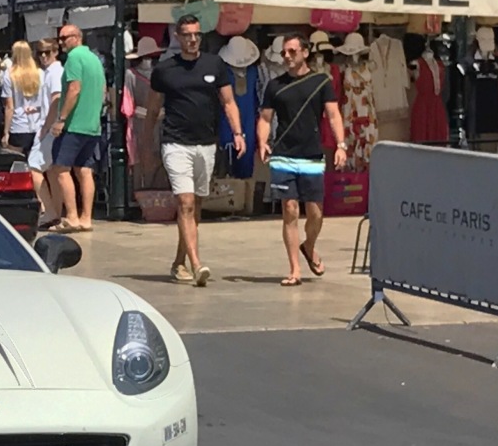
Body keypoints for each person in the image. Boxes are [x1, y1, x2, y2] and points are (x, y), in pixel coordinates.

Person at [144, 14, 247, 287]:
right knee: (185, 203)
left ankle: (179, 262)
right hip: (175, 143)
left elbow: (229, 103)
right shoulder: (165, 70)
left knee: (195, 206)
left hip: (206, 144)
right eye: (187, 35)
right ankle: (197, 263)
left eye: (196, 35)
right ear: (177, 37)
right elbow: (153, 109)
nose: (192, 39)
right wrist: (147, 144)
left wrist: (238, 133)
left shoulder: (215, 64)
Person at [256, 32, 347, 287]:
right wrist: (262, 142)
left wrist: (341, 145)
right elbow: (265, 118)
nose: (287, 56)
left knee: (316, 213)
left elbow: (333, 115)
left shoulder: (321, 81)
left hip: (311, 155)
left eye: (292, 52)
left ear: (305, 52)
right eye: (284, 52)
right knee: (290, 210)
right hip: (283, 153)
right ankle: (294, 268)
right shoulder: (275, 85)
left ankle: (309, 246)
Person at [49, 25, 107, 233]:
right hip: (92, 125)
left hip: (75, 123)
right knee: (84, 169)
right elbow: (102, 90)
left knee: (60, 168)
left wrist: (62, 119)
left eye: (65, 38)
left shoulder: (74, 58)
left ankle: (72, 217)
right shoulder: (94, 59)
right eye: (60, 38)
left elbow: (74, 88)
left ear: (77, 38)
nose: (62, 42)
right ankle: (86, 218)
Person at [29, 38, 65, 228]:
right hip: (49, 124)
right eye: (40, 53)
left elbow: (57, 99)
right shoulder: (50, 72)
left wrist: (46, 126)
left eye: (47, 52)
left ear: (55, 52)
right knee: (51, 171)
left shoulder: (54, 73)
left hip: (49, 127)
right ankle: (56, 212)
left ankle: (48, 211)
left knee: (34, 167)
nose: (43, 56)